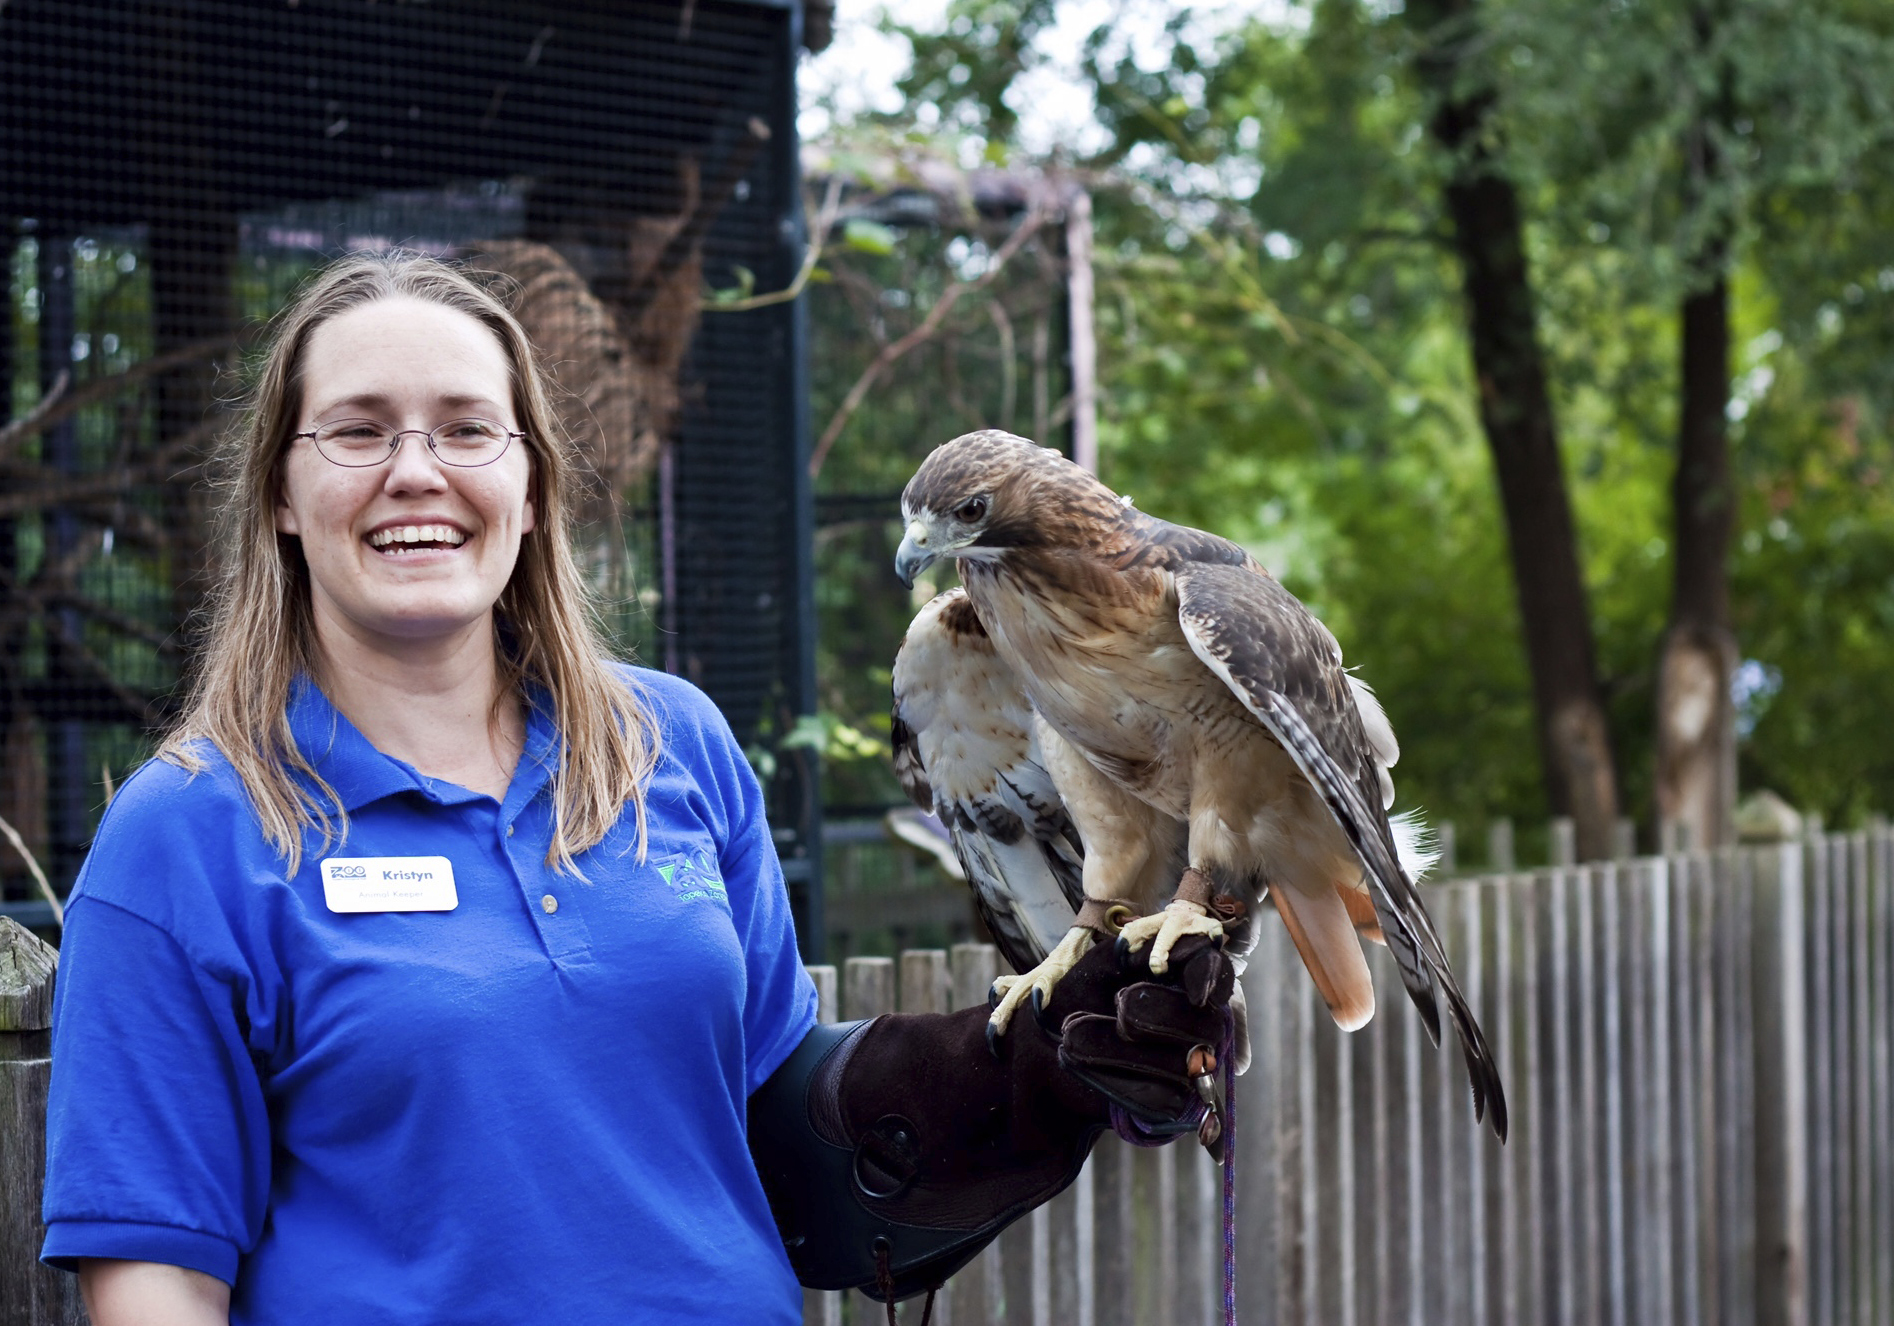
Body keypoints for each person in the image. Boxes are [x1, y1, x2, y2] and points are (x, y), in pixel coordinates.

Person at [39, 251, 1236, 1325]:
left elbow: (775, 1121)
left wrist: (1010, 1074)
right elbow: (155, 1276)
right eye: (356, 432)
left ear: (531, 485)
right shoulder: (188, 832)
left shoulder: (671, 744)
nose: (417, 472)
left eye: (467, 430)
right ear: (282, 499)